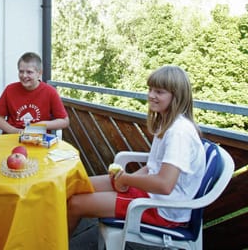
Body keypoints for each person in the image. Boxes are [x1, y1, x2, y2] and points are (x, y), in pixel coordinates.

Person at [67, 65, 206, 235]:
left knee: (75, 204)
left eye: (159, 92)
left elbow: (164, 185)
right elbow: (151, 167)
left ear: (176, 96)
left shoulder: (179, 132)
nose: (151, 95)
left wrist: (126, 180)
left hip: (163, 208)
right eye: (150, 89)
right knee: (75, 186)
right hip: (151, 194)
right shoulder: (167, 122)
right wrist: (126, 179)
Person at [0, 52, 69, 134]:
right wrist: (14, 131)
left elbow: (64, 121)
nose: (24, 76)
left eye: (29, 72)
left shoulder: (50, 92)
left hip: (39, 139)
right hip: (13, 136)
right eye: (21, 71)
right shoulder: (10, 89)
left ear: (39, 73)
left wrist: (41, 125)